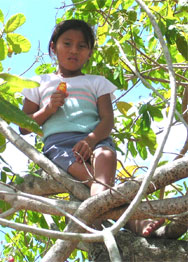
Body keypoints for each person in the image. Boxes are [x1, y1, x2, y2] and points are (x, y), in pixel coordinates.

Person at [19, 19, 164, 236]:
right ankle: (129, 219)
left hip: (95, 139)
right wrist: (48, 109)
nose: (74, 50)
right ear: (53, 47)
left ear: (90, 52)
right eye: (67, 43)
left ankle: (98, 207)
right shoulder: (39, 82)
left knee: (105, 160)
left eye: (82, 46)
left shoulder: (97, 82)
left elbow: (107, 120)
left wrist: (91, 140)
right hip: (60, 146)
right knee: (91, 179)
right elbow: (24, 127)